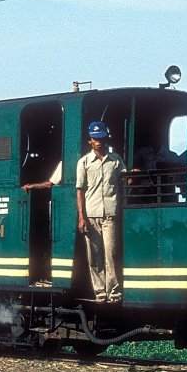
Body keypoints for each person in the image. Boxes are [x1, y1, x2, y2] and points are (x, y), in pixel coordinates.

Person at [75, 121, 126, 303]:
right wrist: (81, 217)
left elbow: (124, 180)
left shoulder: (116, 160)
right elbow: (79, 191)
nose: (99, 142)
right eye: (96, 139)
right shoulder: (84, 163)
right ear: (90, 140)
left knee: (111, 254)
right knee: (94, 256)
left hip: (110, 214)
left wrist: (133, 176)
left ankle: (114, 292)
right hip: (91, 214)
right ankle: (99, 291)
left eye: (102, 138)